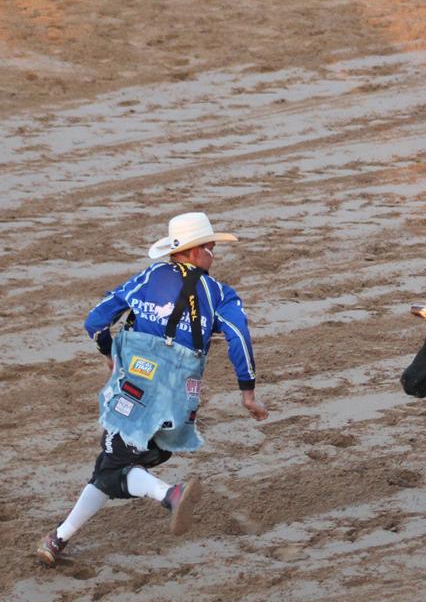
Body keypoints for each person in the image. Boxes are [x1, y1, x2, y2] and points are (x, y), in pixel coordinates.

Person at [37, 212, 269, 565]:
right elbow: (239, 338)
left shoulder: (148, 278)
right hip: (182, 399)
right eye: (209, 247)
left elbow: (96, 321)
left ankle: (170, 495)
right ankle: (57, 539)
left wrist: (108, 352)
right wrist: (247, 393)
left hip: (137, 389)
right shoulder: (221, 294)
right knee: (111, 466)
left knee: (114, 468)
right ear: (191, 252)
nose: (213, 254)